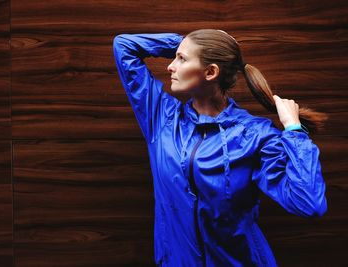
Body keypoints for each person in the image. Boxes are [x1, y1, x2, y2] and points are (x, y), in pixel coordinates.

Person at [112, 29, 328, 267]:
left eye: (182, 59)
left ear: (211, 72)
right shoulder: (162, 118)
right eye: (175, 57)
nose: (170, 66)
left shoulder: (254, 136)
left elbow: (308, 203)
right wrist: (186, 43)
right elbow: (124, 46)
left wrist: (294, 132)